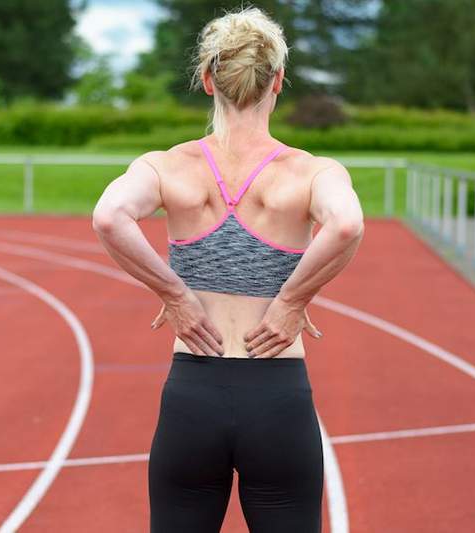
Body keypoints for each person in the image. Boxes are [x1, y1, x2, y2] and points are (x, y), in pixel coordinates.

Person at [91, 6, 364, 532]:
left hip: (194, 390)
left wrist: (174, 295)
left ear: (208, 79)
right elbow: (348, 225)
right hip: (279, 393)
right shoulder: (311, 172)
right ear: (278, 82)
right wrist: (289, 303)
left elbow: (108, 216)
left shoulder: (167, 166)